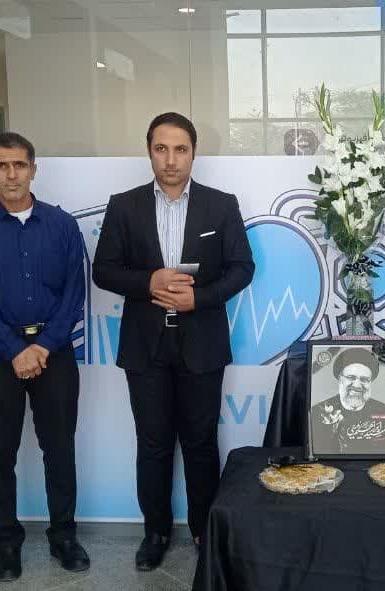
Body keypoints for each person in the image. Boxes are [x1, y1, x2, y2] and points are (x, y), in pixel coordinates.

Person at [93, 112, 254, 570]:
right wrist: (149, 281)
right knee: (153, 444)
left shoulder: (221, 205)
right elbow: (103, 270)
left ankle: (205, 531)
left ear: (193, 153)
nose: (170, 160)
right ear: (149, 151)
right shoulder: (124, 205)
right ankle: (156, 532)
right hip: (145, 346)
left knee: (201, 443)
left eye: (180, 149)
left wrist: (198, 299)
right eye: (161, 149)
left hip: (202, 342)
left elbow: (242, 268)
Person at [0, 132, 88, 581]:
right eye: (1, 166)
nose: (11, 174)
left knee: (59, 448)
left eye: (19, 165)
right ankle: (7, 545)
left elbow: (74, 294)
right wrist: (15, 351)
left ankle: (64, 537)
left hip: (54, 351)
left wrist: (43, 346)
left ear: (33, 169)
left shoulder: (63, 226)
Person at [309, 348, 385, 455]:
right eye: (351, 377)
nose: (357, 385)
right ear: (340, 379)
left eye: (364, 379)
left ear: (370, 382)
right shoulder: (317, 412)